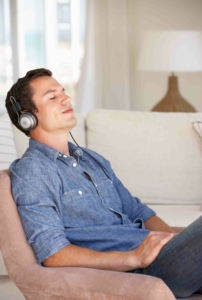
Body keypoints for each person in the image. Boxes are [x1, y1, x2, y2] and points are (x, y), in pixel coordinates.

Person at [5, 68, 202, 298]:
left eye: (63, 92)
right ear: (28, 118)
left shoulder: (92, 158)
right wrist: (133, 257)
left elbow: (136, 210)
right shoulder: (33, 171)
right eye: (52, 97)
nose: (66, 98)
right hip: (142, 269)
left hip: (163, 256)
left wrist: (175, 243)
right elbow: (53, 253)